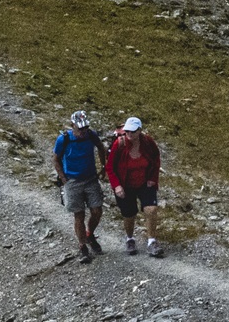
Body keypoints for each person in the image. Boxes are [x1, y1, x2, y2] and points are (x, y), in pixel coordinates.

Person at [53, 110, 107, 262]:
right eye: (81, 128)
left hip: (90, 178)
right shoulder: (63, 139)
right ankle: (83, 246)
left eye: (86, 127)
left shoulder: (91, 135)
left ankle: (90, 234)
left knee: (97, 210)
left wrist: (103, 166)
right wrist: (64, 179)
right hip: (72, 181)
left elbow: (100, 147)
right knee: (79, 215)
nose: (84, 131)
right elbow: (56, 159)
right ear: (73, 125)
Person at [105, 116, 163, 257]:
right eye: (127, 131)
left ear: (139, 131)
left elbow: (156, 160)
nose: (129, 134)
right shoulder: (119, 145)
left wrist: (152, 179)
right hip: (125, 184)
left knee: (151, 209)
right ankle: (130, 238)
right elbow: (110, 168)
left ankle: (151, 242)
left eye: (132, 131)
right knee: (129, 214)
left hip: (144, 182)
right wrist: (117, 186)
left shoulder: (148, 142)